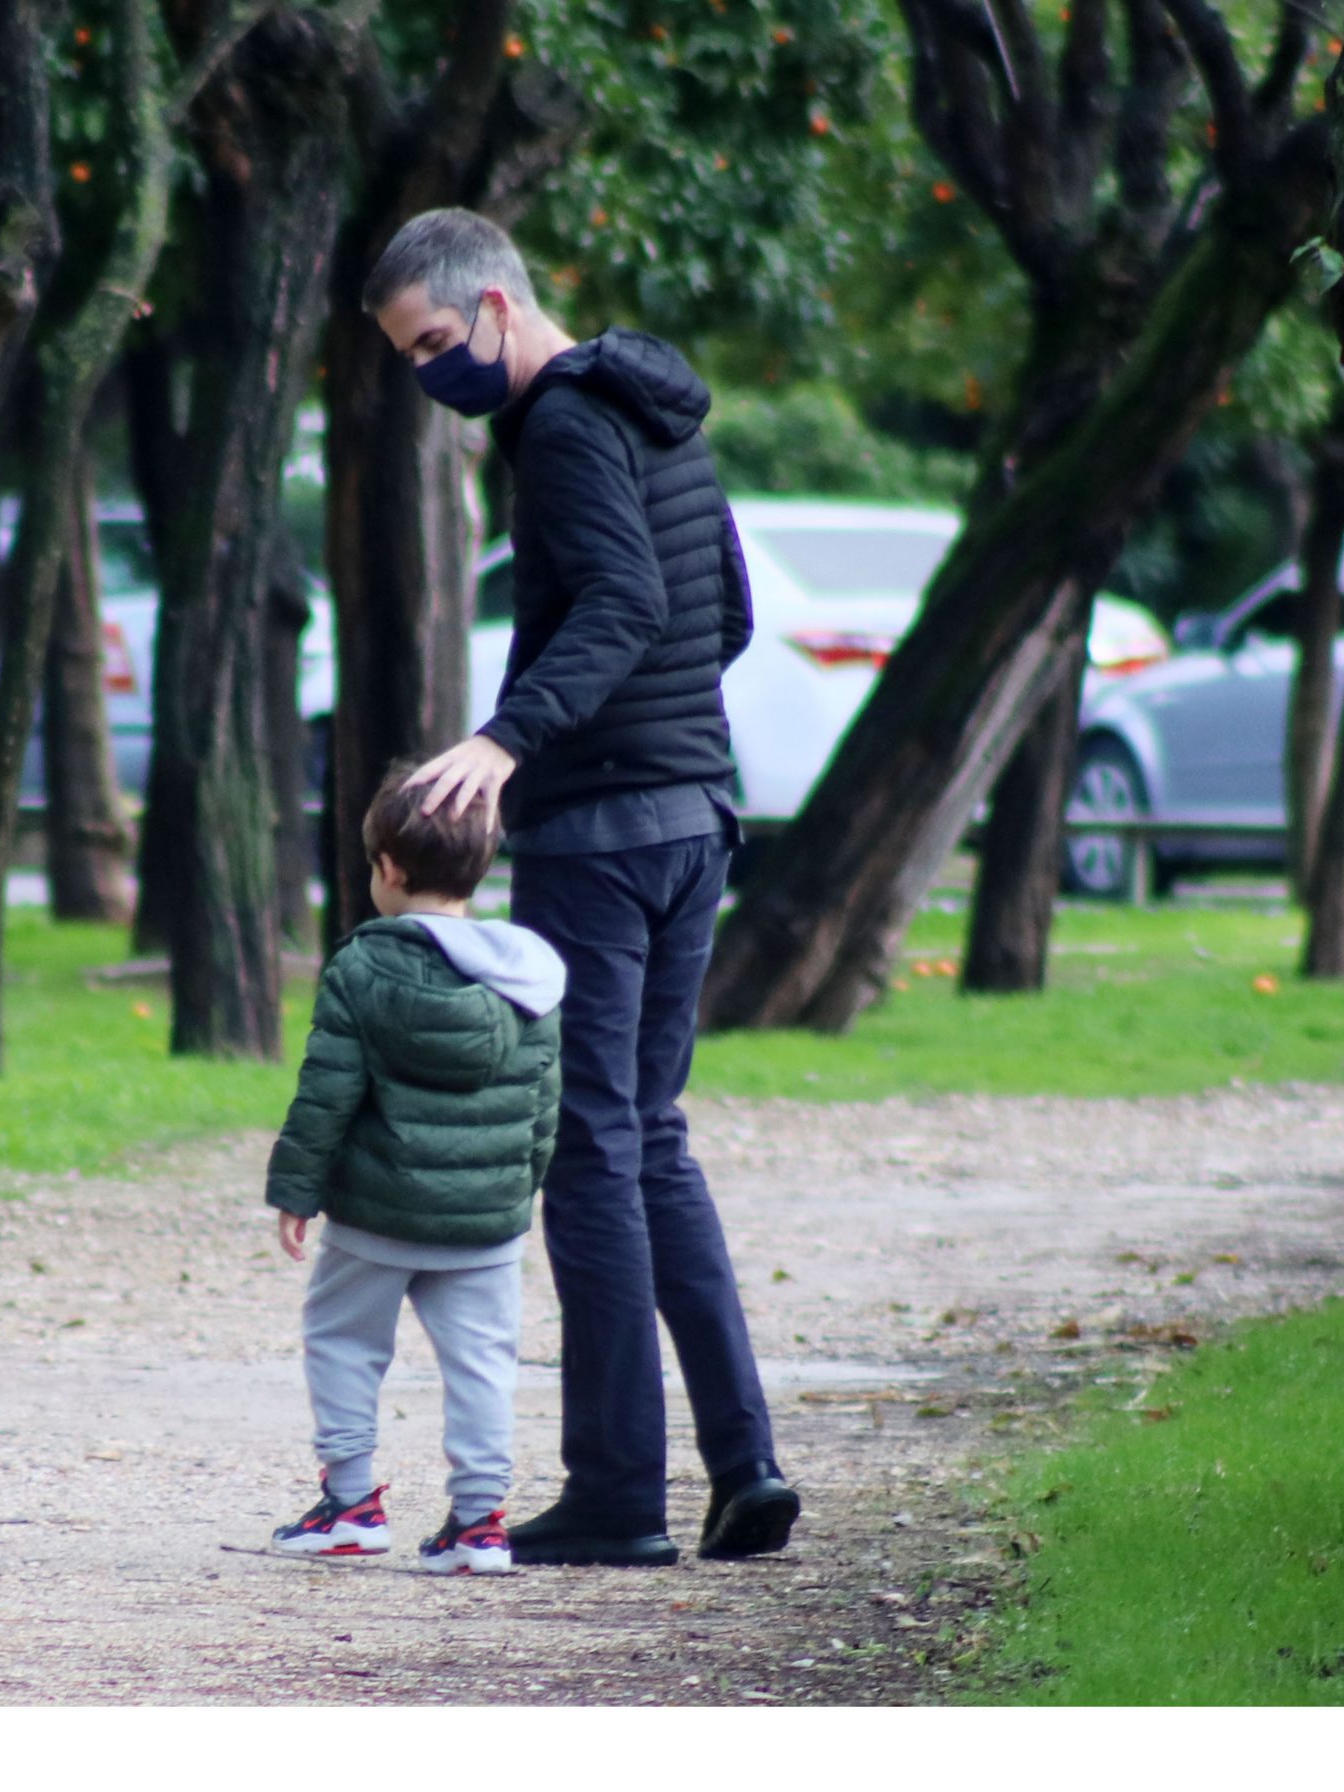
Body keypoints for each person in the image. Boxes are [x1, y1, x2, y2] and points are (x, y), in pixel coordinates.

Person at [364, 209, 798, 1567]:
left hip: (603, 840)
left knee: (593, 1148)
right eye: (407, 356)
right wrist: (650, 730)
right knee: (647, 1134)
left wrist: (505, 745)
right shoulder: (654, 403)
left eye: (436, 342)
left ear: (497, 305)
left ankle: (616, 1494)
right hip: (695, 816)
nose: (429, 373)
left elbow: (626, 603)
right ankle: (746, 1469)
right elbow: (720, 611)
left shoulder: (557, 424)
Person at [264, 764, 565, 1576]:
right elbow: (544, 1106)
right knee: (482, 1364)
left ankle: (353, 1505)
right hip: (486, 1222)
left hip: (376, 1215)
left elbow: (328, 1090)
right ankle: (479, 1524)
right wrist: (516, 1189)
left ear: (390, 869)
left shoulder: (363, 967)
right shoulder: (529, 977)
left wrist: (297, 1188)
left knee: (342, 1341)